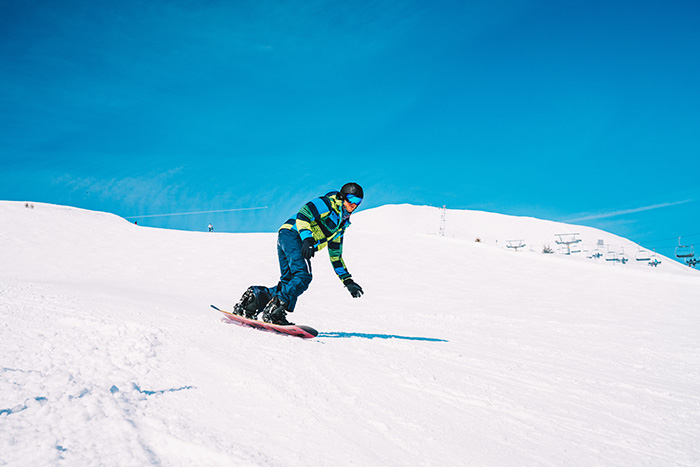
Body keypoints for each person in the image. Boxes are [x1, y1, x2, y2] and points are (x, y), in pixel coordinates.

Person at [233, 182, 365, 325]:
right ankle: (274, 311)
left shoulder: (340, 226)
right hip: (293, 234)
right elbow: (304, 213)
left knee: (289, 281)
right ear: (342, 196)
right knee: (303, 276)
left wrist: (348, 281)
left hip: (287, 235)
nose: (354, 205)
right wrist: (307, 239)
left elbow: (336, 256)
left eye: (358, 202)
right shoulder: (328, 203)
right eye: (351, 199)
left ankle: (253, 301)